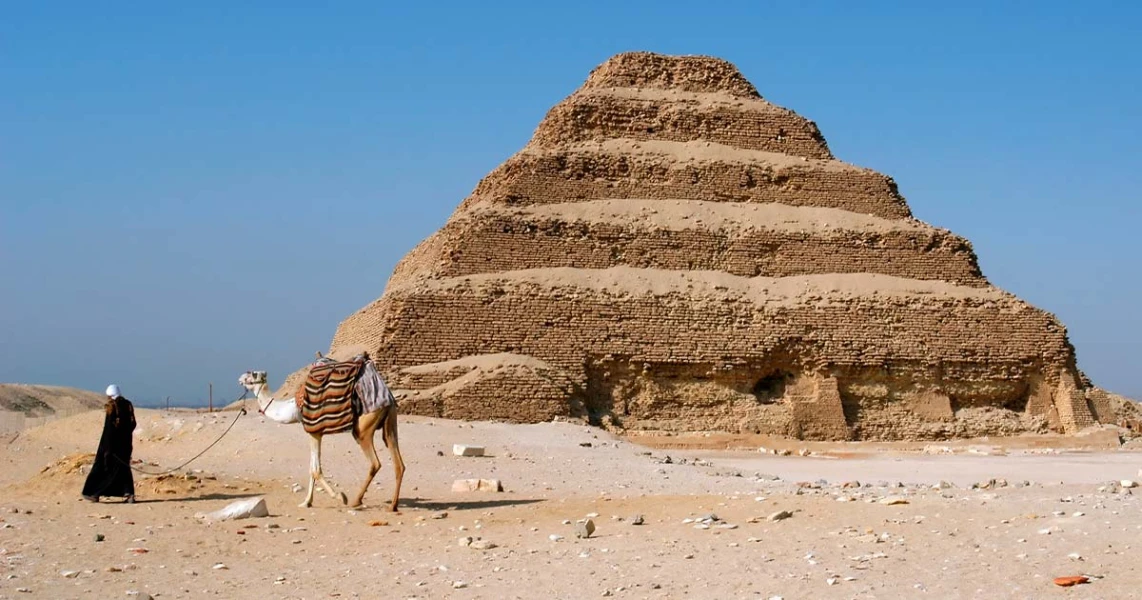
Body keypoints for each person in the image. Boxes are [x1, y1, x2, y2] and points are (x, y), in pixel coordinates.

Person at [81, 384, 137, 503]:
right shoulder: (128, 405)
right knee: (124, 469)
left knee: (102, 469)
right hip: (126, 445)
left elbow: (108, 430)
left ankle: (94, 493)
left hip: (110, 446)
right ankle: (129, 494)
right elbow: (133, 424)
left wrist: (107, 448)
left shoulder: (112, 407)